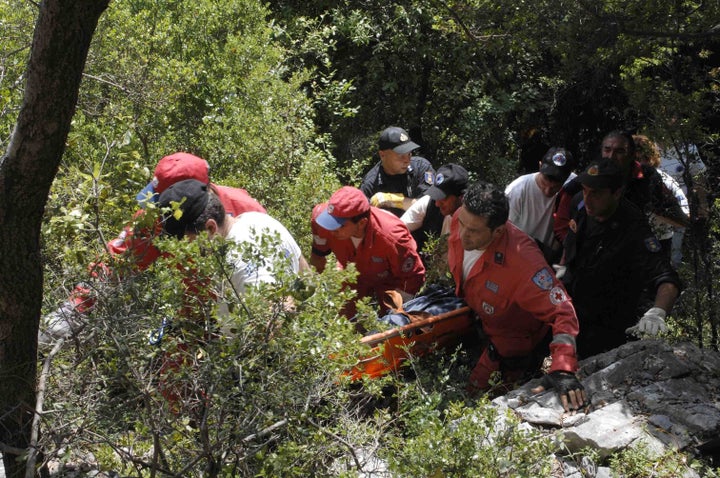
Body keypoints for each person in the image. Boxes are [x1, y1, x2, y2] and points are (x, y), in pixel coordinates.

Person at [40, 152, 267, 342]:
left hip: (246, 314)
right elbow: (117, 263)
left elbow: (279, 267)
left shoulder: (246, 208)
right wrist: (74, 308)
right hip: (194, 317)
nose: (160, 213)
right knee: (174, 380)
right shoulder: (155, 218)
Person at [446, 181, 586, 412]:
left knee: (478, 406)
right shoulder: (462, 219)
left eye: (473, 231)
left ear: (498, 231)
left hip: (509, 348)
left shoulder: (524, 263)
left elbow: (563, 311)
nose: (462, 234)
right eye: (462, 223)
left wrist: (563, 366)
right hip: (476, 318)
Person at [561, 158, 682, 359]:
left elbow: (665, 276)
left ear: (616, 193)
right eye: (585, 190)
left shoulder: (633, 227)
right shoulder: (580, 205)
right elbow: (570, 250)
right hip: (571, 311)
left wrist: (658, 311)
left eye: (597, 193)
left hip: (607, 326)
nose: (588, 198)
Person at [158, 179, 308, 294]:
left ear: (210, 228)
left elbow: (273, 320)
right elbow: (307, 278)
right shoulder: (255, 219)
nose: (182, 250)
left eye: (184, 241)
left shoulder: (240, 262)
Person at [553, 131, 689, 247]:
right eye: (607, 150)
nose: (612, 157)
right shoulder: (589, 176)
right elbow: (562, 222)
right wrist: (577, 249)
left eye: (619, 152)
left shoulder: (648, 177)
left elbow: (673, 212)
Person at [312, 186, 426, 317]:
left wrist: (394, 314)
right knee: (346, 315)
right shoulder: (320, 221)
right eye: (330, 221)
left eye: (339, 226)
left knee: (390, 322)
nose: (331, 230)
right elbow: (317, 259)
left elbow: (412, 278)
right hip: (352, 272)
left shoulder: (393, 238)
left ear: (361, 223)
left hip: (389, 281)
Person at [505, 147, 576, 264]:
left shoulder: (572, 186)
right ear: (540, 166)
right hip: (519, 255)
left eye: (556, 186)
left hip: (550, 258)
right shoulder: (518, 190)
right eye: (544, 182)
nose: (548, 191)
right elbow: (505, 232)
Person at [633, 135, 689, 261]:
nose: (637, 163)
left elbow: (684, 218)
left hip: (657, 245)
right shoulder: (614, 182)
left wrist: (659, 209)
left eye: (641, 158)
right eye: (633, 159)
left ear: (650, 159)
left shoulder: (665, 181)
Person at [359, 126, 435, 216]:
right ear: (382, 155)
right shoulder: (370, 184)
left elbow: (431, 206)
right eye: (401, 155)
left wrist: (393, 200)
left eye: (409, 154)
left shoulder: (421, 167)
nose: (407, 160)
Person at [658, 141, 710, 268]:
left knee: (675, 249)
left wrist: (703, 203)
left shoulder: (687, 147)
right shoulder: (647, 146)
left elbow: (698, 176)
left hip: (679, 204)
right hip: (654, 206)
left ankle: (673, 276)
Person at [400, 163, 469, 253]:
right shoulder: (429, 203)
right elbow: (396, 229)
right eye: (436, 196)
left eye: (443, 198)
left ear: (461, 197)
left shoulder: (474, 221)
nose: (437, 203)